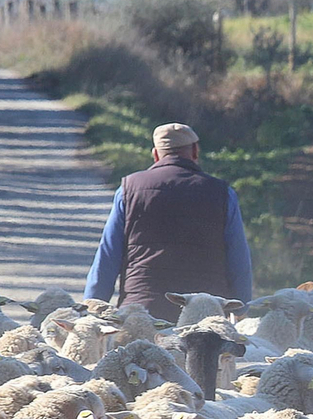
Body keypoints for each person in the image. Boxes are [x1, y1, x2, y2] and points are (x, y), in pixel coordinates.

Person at [83, 123, 253, 322]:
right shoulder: (222, 193)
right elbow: (238, 257)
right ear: (195, 151)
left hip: (142, 311)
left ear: (155, 154)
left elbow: (108, 254)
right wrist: (241, 307)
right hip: (205, 315)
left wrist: (94, 303)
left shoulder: (129, 190)